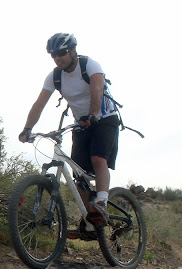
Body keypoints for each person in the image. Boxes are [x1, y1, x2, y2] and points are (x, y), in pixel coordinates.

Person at [19, 33, 120, 229]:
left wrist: (92, 115)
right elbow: (39, 104)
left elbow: (97, 91)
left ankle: (101, 203)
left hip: (105, 119)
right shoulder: (55, 77)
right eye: (53, 55)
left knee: (98, 159)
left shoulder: (90, 66)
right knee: (78, 173)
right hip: (80, 124)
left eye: (61, 53)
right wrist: (27, 128)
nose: (57, 58)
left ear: (73, 51)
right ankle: (90, 220)